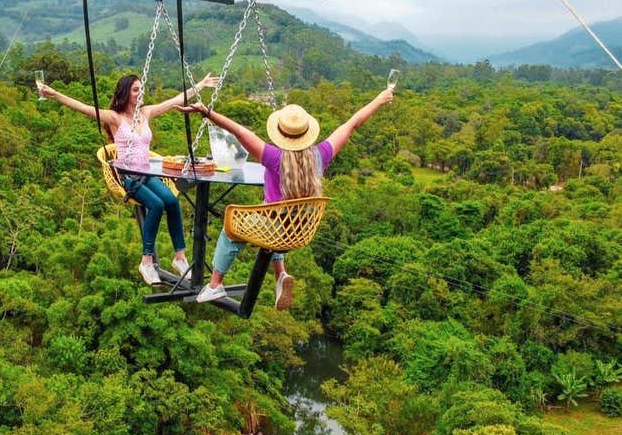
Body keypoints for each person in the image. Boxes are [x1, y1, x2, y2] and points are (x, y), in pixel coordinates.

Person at [177, 88, 394, 310]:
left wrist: (207, 113)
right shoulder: (321, 154)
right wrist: (379, 99)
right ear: (307, 132)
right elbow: (352, 124)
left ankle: (215, 284)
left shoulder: (274, 157)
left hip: (274, 229)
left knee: (231, 228)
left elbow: (240, 132)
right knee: (273, 213)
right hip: (300, 230)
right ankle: (281, 274)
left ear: (281, 133)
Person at [38, 73, 220, 285]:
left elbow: (176, 100)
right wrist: (55, 94)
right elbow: (85, 108)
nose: (140, 93)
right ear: (125, 93)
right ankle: (146, 260)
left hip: (147, 174)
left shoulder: (145, 113)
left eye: (141, 89)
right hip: (129, 178)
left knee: (171, 201)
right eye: (135, 90)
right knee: (157, 205)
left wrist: (201, 84)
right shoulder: (116, 118)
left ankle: (179, 257)